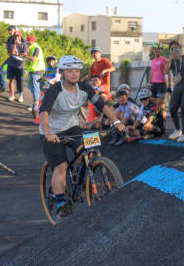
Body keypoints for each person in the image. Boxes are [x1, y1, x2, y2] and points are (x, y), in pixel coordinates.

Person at [39, 55, 125, 217]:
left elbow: (102, 105)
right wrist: (48, 133)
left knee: (89, 150)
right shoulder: (55, 90)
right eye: (70, 71)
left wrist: (115, 122)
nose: (74, 74)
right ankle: (61, 202)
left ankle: (78, 178)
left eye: (77, 71)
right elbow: (44, 112)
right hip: (51, 130)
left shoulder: (84, 88)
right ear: (62, 72)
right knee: (61, 167)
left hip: (72, 127)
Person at [166, 41, 184, 142]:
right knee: (172, 108)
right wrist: (170, 58)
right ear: (170, 50)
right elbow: (165, 71)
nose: (175, 50)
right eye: (172, 49)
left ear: (180, 48)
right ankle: (178, 129)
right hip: (177, 86)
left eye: (176, 48)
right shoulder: (171, 61)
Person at [24, 34, 46, 116]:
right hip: (35, 70)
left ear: (31, 42)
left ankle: (36, 106)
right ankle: (35, 104)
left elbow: (34, 59)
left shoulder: (36, 48)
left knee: (35, 88)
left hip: (37, 70)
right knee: (33, 87)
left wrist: (26, 56)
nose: (27, 45)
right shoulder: (34, 48)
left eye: (28, 43)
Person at [5, 29, 27, 103]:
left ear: (20, 37)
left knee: (20, 81)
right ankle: (12, 95)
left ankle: (21, 95)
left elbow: (25, 53)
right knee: (11, 80)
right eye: (15, 36)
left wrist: (18, 53)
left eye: (18, 36)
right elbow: (11, 53)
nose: (16, 38)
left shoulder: (24, 44)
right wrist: (15, 44)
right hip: (11, 64)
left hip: (19, 66)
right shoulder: (11, 44)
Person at [148, 44, 169, 109]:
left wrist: (169, 84)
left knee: (160, 104)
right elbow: (152, 72)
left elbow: (168, 72)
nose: (157, 50)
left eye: (159, 49)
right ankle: (157, 117)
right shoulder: (153, 61)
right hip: (154, 84)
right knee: (153, 102)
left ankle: (162, 118)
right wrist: (149, 83)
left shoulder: (164, 60)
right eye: (155, 49)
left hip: (161, 84)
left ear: (161, 50)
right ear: (153, 50)